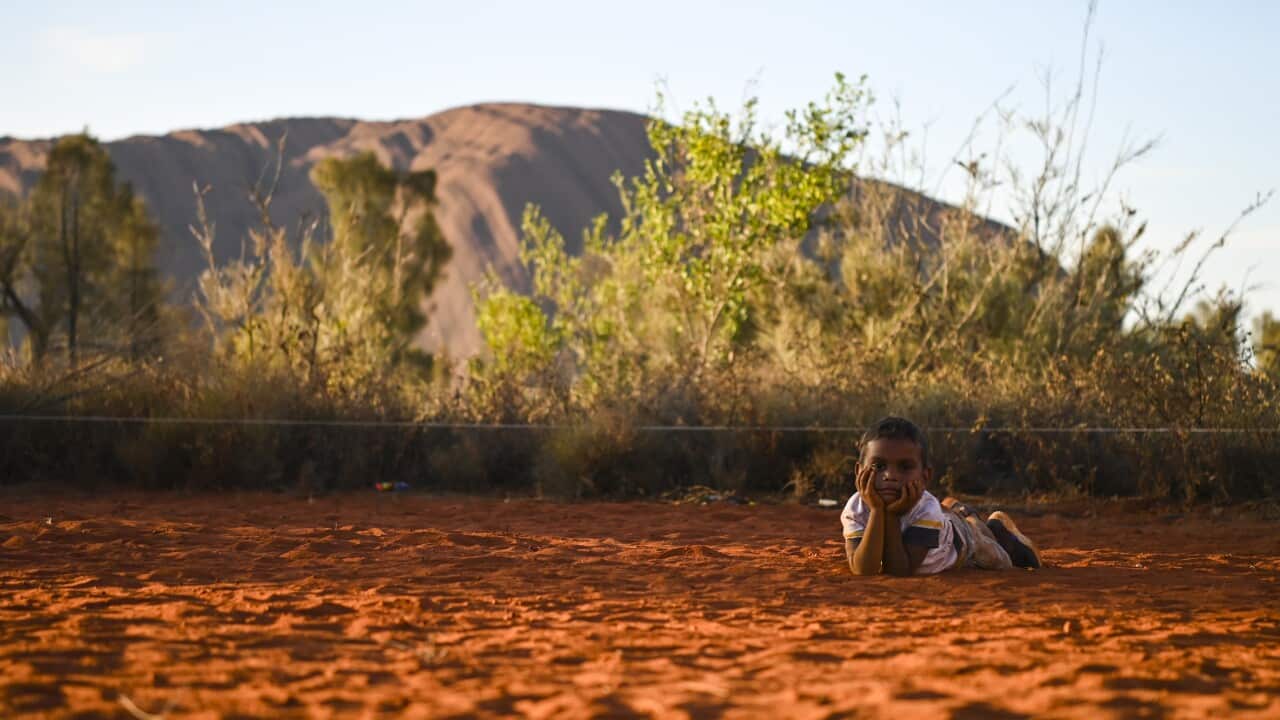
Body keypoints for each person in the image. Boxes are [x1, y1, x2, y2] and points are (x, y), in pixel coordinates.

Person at [842, 416, 1042, 576]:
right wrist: (878, 511)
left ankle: (986, 525)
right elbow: (863, 569)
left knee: (1002, 561)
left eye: (905, 467)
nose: (890, 476)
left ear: (925, 475)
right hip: (943, 520)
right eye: (878, 466)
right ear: (859, 471)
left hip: (961, 541)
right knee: (956, 519)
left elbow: (900, 570)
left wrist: (892, 516)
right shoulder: (856, 508)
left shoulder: (926, 508)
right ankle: (959, 511)